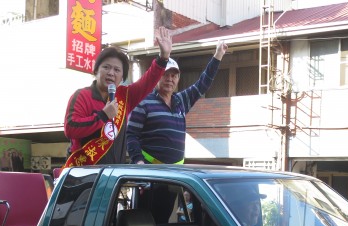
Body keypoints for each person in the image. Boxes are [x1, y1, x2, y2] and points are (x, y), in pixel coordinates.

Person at [63, 27, 173, 168]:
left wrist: (163, 57)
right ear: (96, 70)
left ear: (122, 77)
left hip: (114, 178)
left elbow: (148, 81)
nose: (111, 73)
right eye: (106, 67)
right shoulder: (82, 95)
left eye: (117, 70)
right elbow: (70, 128)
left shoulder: (125, 96)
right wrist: (102, 116)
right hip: (83, 175)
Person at [126, 40, 228, 165]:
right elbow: (131, 135)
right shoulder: (143, 101)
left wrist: (218, 55)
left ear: (178, 79)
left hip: (176, 175)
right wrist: (138, 161)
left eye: (174, 76)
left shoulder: (181, 101)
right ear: (157, 76)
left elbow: (203, 84)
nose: (170, 79)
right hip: (150, 173)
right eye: (165, 75)